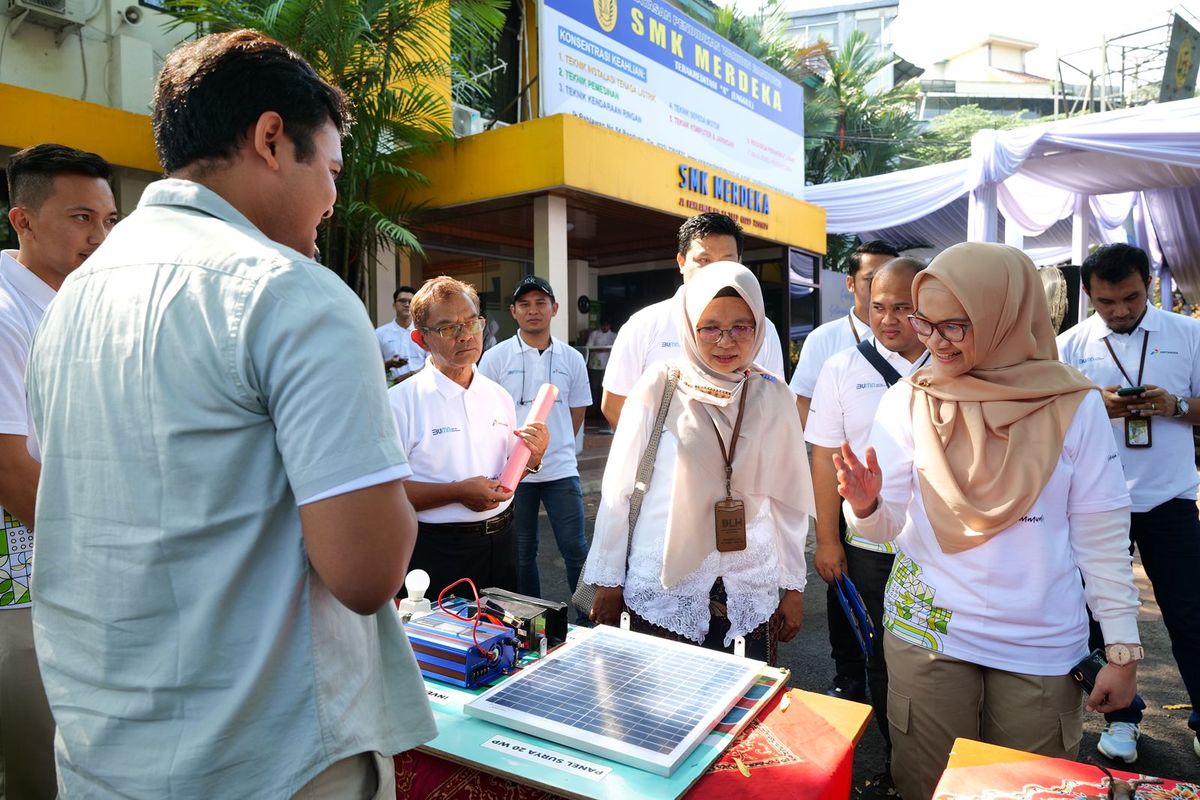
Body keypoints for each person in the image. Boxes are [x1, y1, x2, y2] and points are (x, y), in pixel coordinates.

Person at [26, 31, 435, 797]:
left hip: (101, 750)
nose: (334, 201)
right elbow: (368, 572)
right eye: (334, 170)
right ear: (273, 139)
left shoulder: (70, 303)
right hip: (266, 759)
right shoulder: (293, 293)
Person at [835, 242, 1142, 800]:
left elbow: (1101, 535)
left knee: (1028, 790)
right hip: (928, 634)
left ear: (1005, 314)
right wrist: (866, 506)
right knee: (928, 787)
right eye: (925, 323)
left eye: (956, 325)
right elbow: (884, 530)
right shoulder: (908, 399)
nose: (935, 342)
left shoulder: (1073, 404)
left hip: (1041, 640)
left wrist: (1121, 649)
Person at [584, 262, 815, 664]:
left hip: (748, 581)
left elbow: (788, 501)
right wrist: (608, 579)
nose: (725, 341)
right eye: (710, 327)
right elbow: (618, 489)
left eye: (742, 326)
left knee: (741, 713)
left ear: (759, 326)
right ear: (689, 327)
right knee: (663, 714)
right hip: (665, 584)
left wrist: (793, 588)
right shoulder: (660, 384)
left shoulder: (774, 396)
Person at [0, 143, 116, 799]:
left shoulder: (81, 308)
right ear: (23, 220)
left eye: (106, 220)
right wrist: (110, 556)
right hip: (25, 587)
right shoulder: (6, 314)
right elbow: (11, 472)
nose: (98, 237)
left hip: (81, 573)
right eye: (80, 218)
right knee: (40, 767)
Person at [1056, 243, 1200, 764]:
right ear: (1089, 295)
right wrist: (1097, 406)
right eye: (1106, 301)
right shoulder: (1068, 346)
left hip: (1169, 498)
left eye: (1132, 297)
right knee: (1096, 617)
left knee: (1190, 612)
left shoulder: (1187, 335)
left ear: (1149, 285)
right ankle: (1120, 719)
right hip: (1094, 502)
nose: (1120, 310)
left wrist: (1175, 404)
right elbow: (1049, 424)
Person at [804, 257, 928, 792]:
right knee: (882, 655)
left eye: (903, 307)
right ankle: (900, 762)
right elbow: (822, 457)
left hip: (941, 549)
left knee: (938, 657)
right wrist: (828, 540)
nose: (888, 319)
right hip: (869, 546)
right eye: (879, 307)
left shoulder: (953, 364)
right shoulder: (841, 368)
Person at [390, 276, 549, 598]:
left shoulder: (497, 395)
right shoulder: (399, 403)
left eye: (471, 323)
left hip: (502, 540)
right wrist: (457, 493)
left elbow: (507, 471)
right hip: (435, 547)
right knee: (440, 644)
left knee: (503, 640)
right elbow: (383, 492)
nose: (464, 336)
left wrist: (531, 459)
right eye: (448, 328)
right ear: (421, 339)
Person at [600, 213, 785, 429]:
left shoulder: (764, 329)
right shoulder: (644, 324)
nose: (715, 271)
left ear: (740, 263)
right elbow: (614, 404)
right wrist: (665, 453)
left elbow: (774, 401)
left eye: (727, 261)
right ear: (681, 262)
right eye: (703, 261)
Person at [479, 275, 592, 603]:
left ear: (554, 309)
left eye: (541, 303)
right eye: (525, 304)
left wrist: (555, 446)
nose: (533, 310)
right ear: (513, 311)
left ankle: (586, 614)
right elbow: (485, 411)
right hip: (515, 474)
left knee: (576, 549)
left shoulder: (572, 357)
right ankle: (535, 621)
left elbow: (577, 410)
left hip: (561, 470)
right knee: (523, 550)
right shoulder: (496, 358)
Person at [791, 240, 900, 425]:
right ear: (851, 283)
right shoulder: (822, 339)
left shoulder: (918, 336)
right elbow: (803, 402)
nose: (882, 285)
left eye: (890, 277)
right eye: (871, 278)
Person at [376, 285, 425, 383]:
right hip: (391, 388)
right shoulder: (380, 333)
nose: (407, 304)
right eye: (402, 301)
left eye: (410, 302)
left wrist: (411, 375)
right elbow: (373, 367)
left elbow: (433, 363)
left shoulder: (424, 332)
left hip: (421, 387)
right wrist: (389, 363)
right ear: (394, 305)